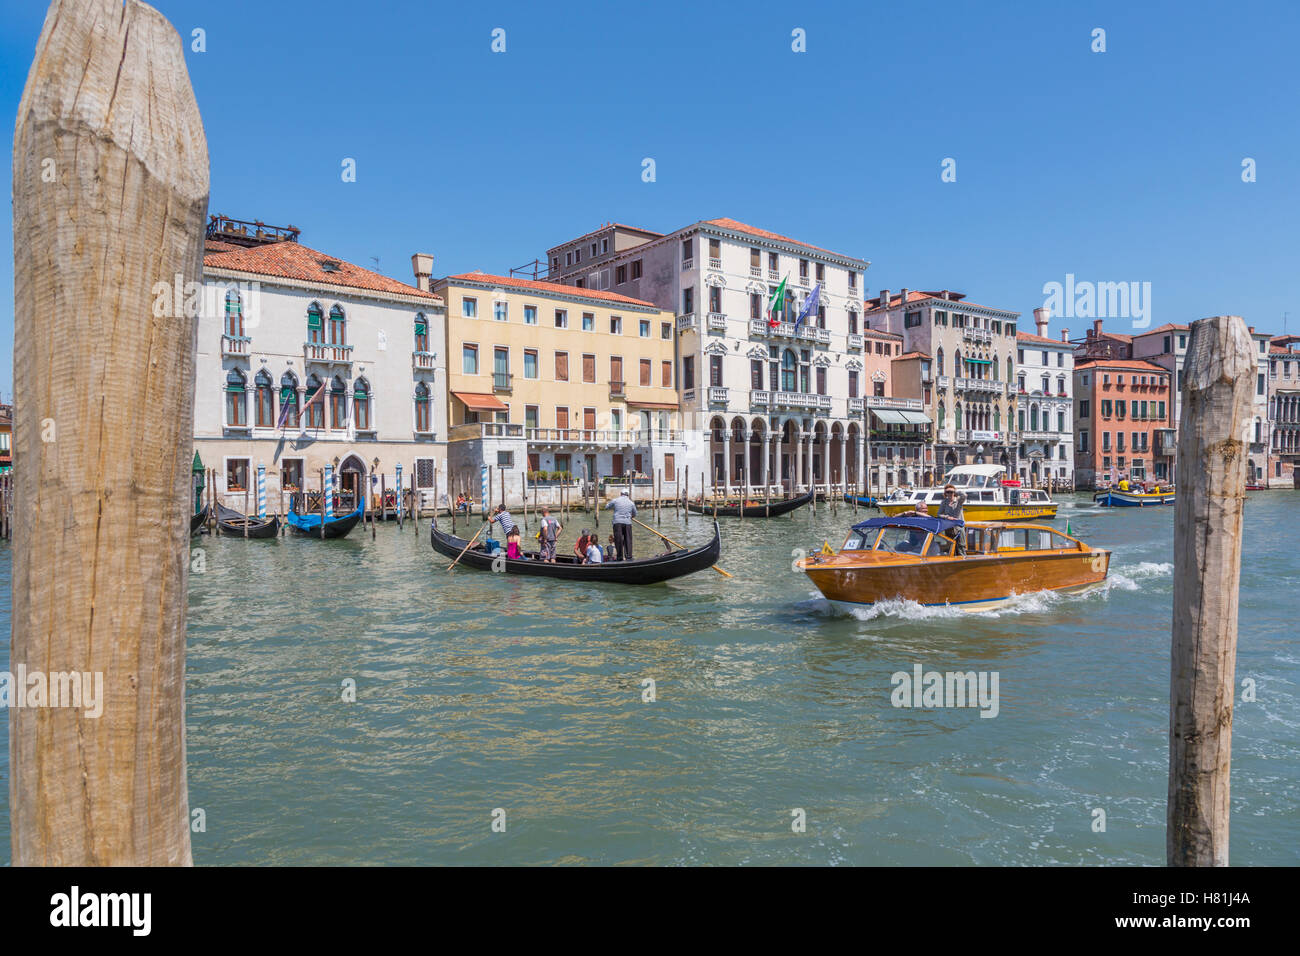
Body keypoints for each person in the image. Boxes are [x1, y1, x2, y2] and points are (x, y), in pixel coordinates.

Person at [605, 489, 637, 560]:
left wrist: (614, 507)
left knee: (618, 539)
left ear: (620, 493)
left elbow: (606, 507)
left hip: (617, 522)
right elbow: (635, 514)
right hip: (627, 523)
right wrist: (629, 516)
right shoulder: (631, 503)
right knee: (628, 539)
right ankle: (628, 556)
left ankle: (619, 557)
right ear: (628, 495)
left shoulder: (615, 500)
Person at [937, 483, 966, 556]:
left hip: (959, 528)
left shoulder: (959, 501)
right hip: (949, 528)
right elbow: (939, 514)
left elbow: (964, 495)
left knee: (961, 546)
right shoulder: (944, 502)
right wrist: (947, 517)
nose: (949, 494)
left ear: (954, 493)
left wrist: (956, 492)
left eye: (951, 492)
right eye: (947, 492)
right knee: (950, 547)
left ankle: (963, 560)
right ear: (945, 493)